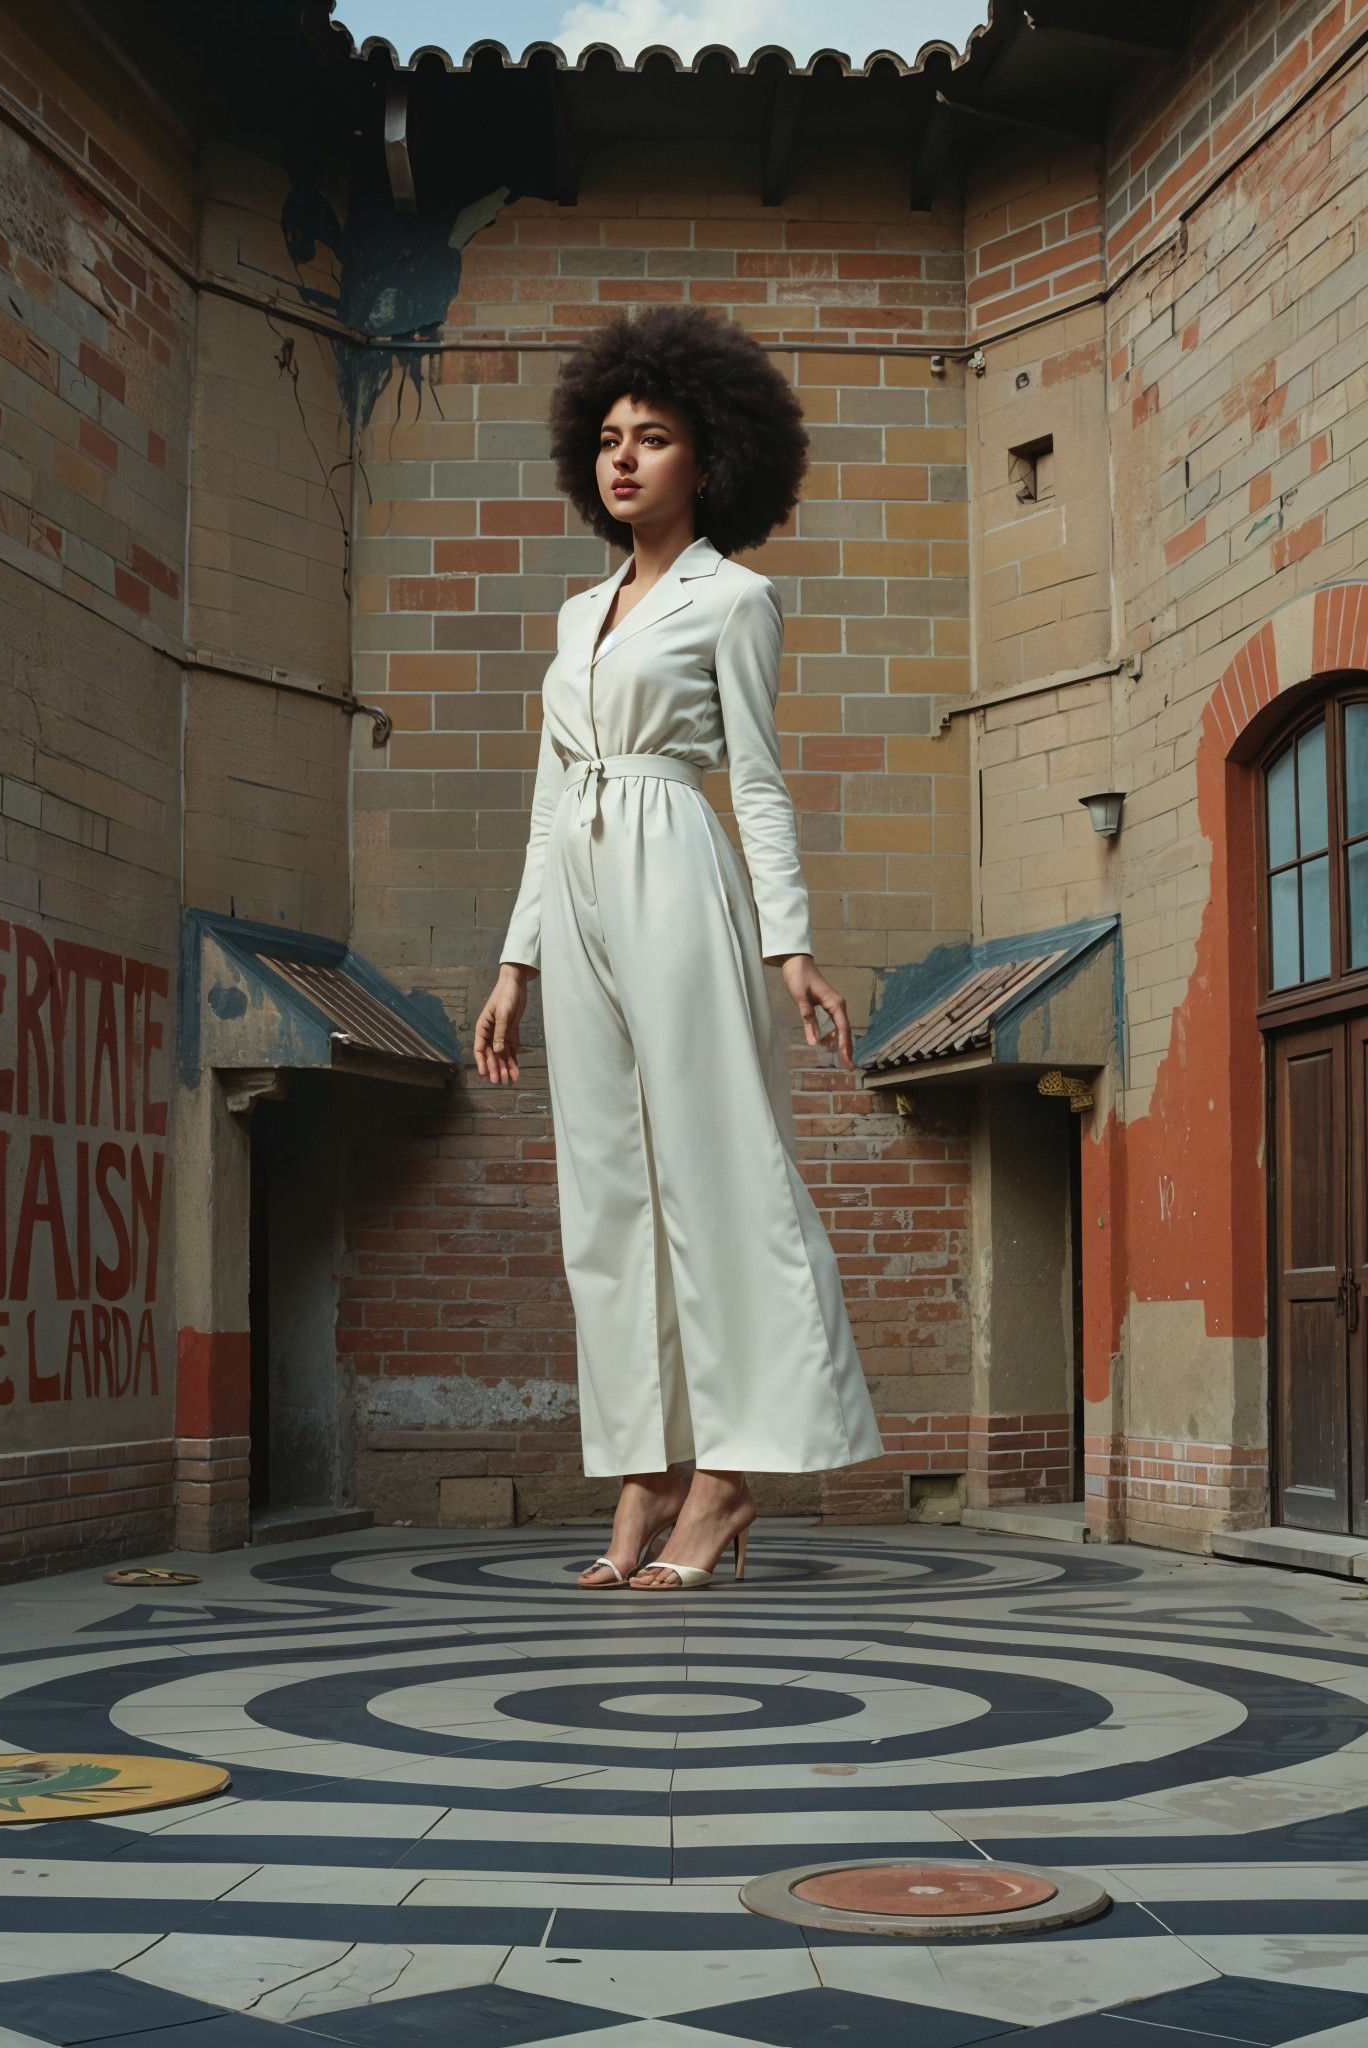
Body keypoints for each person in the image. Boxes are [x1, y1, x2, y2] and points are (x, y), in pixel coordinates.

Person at [473, 305, 884, 1591]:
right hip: (582, 886)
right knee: (605, 1190)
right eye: (609, 438)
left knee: (722, 1175)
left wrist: (792, 946)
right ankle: (645, 1464)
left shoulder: (735, 598)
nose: (625, 459)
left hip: (676, 865)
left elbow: (757, 783)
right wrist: (514, 962)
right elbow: (550, 796)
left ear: (708, 462)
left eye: (654, 438)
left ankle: (730, 1473)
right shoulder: (575, 613)